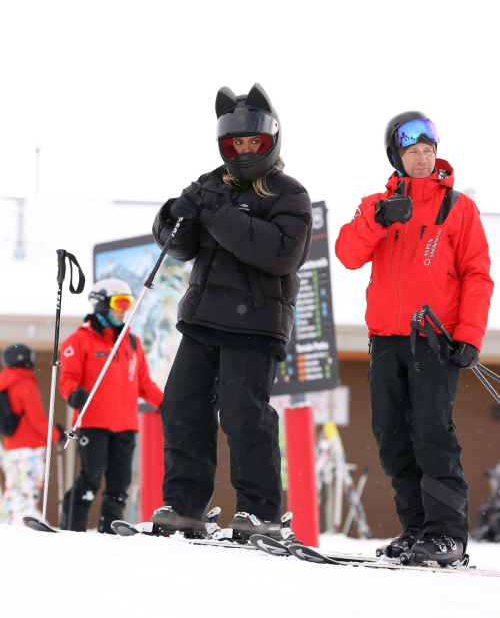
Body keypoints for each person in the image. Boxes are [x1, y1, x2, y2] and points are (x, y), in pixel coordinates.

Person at [151, 83, 312, 539]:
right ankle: (184, 507)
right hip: (203, 318)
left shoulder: (290, 194)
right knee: (182, 407)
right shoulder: (209, 185)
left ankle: (259, 512)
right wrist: (171, 216)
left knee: (244, 415)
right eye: (235, 143)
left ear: (270, 141)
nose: (243, 150)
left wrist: (219, 215)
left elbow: (280, 253)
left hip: (256, 324)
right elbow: (179, 247)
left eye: (252, 142)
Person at [335, 112, 494, 565]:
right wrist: (380, 221)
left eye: (428, 151)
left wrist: (468, 335)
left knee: (431, 435)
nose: (422, 160)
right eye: (412, 152)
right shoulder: (374, 204)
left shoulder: (457, 207)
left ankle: (447, 536)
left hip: (434, 341)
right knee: (392, 438)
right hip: (385, 339)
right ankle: (417, 529)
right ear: (396, 156)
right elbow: (347, 253)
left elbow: (477, 275)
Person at [59, 278, 163, 533]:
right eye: (119, 302)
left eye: (127, 303)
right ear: (101, 303)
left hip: (126, 426)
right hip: (93, 423)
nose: (124, 309)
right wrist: (74, 394)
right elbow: (68, 379)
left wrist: (166, 404)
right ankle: (72, 527)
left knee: (120, 483)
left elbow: (143, 383)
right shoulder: (80, 340)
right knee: (91, 479)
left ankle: (110, 532)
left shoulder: (132, 342)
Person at [0, 343, 64, 524]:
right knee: (27, 492)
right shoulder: (25, 384)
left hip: (11, 449)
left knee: (12, 491)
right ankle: (26, 524)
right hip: (30, 450)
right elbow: (37, 420)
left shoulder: (4, 383)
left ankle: (6, 524)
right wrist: (56, 434)